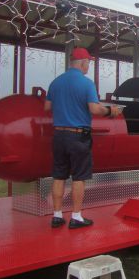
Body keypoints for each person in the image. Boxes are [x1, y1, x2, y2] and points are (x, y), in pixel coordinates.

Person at [44, 47, 120, 229]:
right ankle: (76, 217)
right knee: (79, 177)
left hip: (59, 135)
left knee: (59, 175)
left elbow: (47, 107)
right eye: (88, 63)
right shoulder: (86, 83)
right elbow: (94, 109)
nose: (88, 66)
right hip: (78, 136)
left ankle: (57, 215)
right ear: (83, 62)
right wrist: (111, 111)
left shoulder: (56, 82)